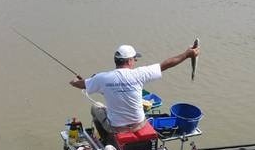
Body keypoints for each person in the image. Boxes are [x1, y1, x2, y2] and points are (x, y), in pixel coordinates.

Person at [70, 44, 200, 138]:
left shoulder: (102, 78)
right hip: (139, 124)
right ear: (129, 61)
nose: (135, 62)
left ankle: (107, 139)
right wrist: (187, 54)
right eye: (134, 59)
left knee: (96, 106)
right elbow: (166, 64)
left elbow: (82, 85)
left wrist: (74, 82)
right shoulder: (139, 74)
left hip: (116, 128)